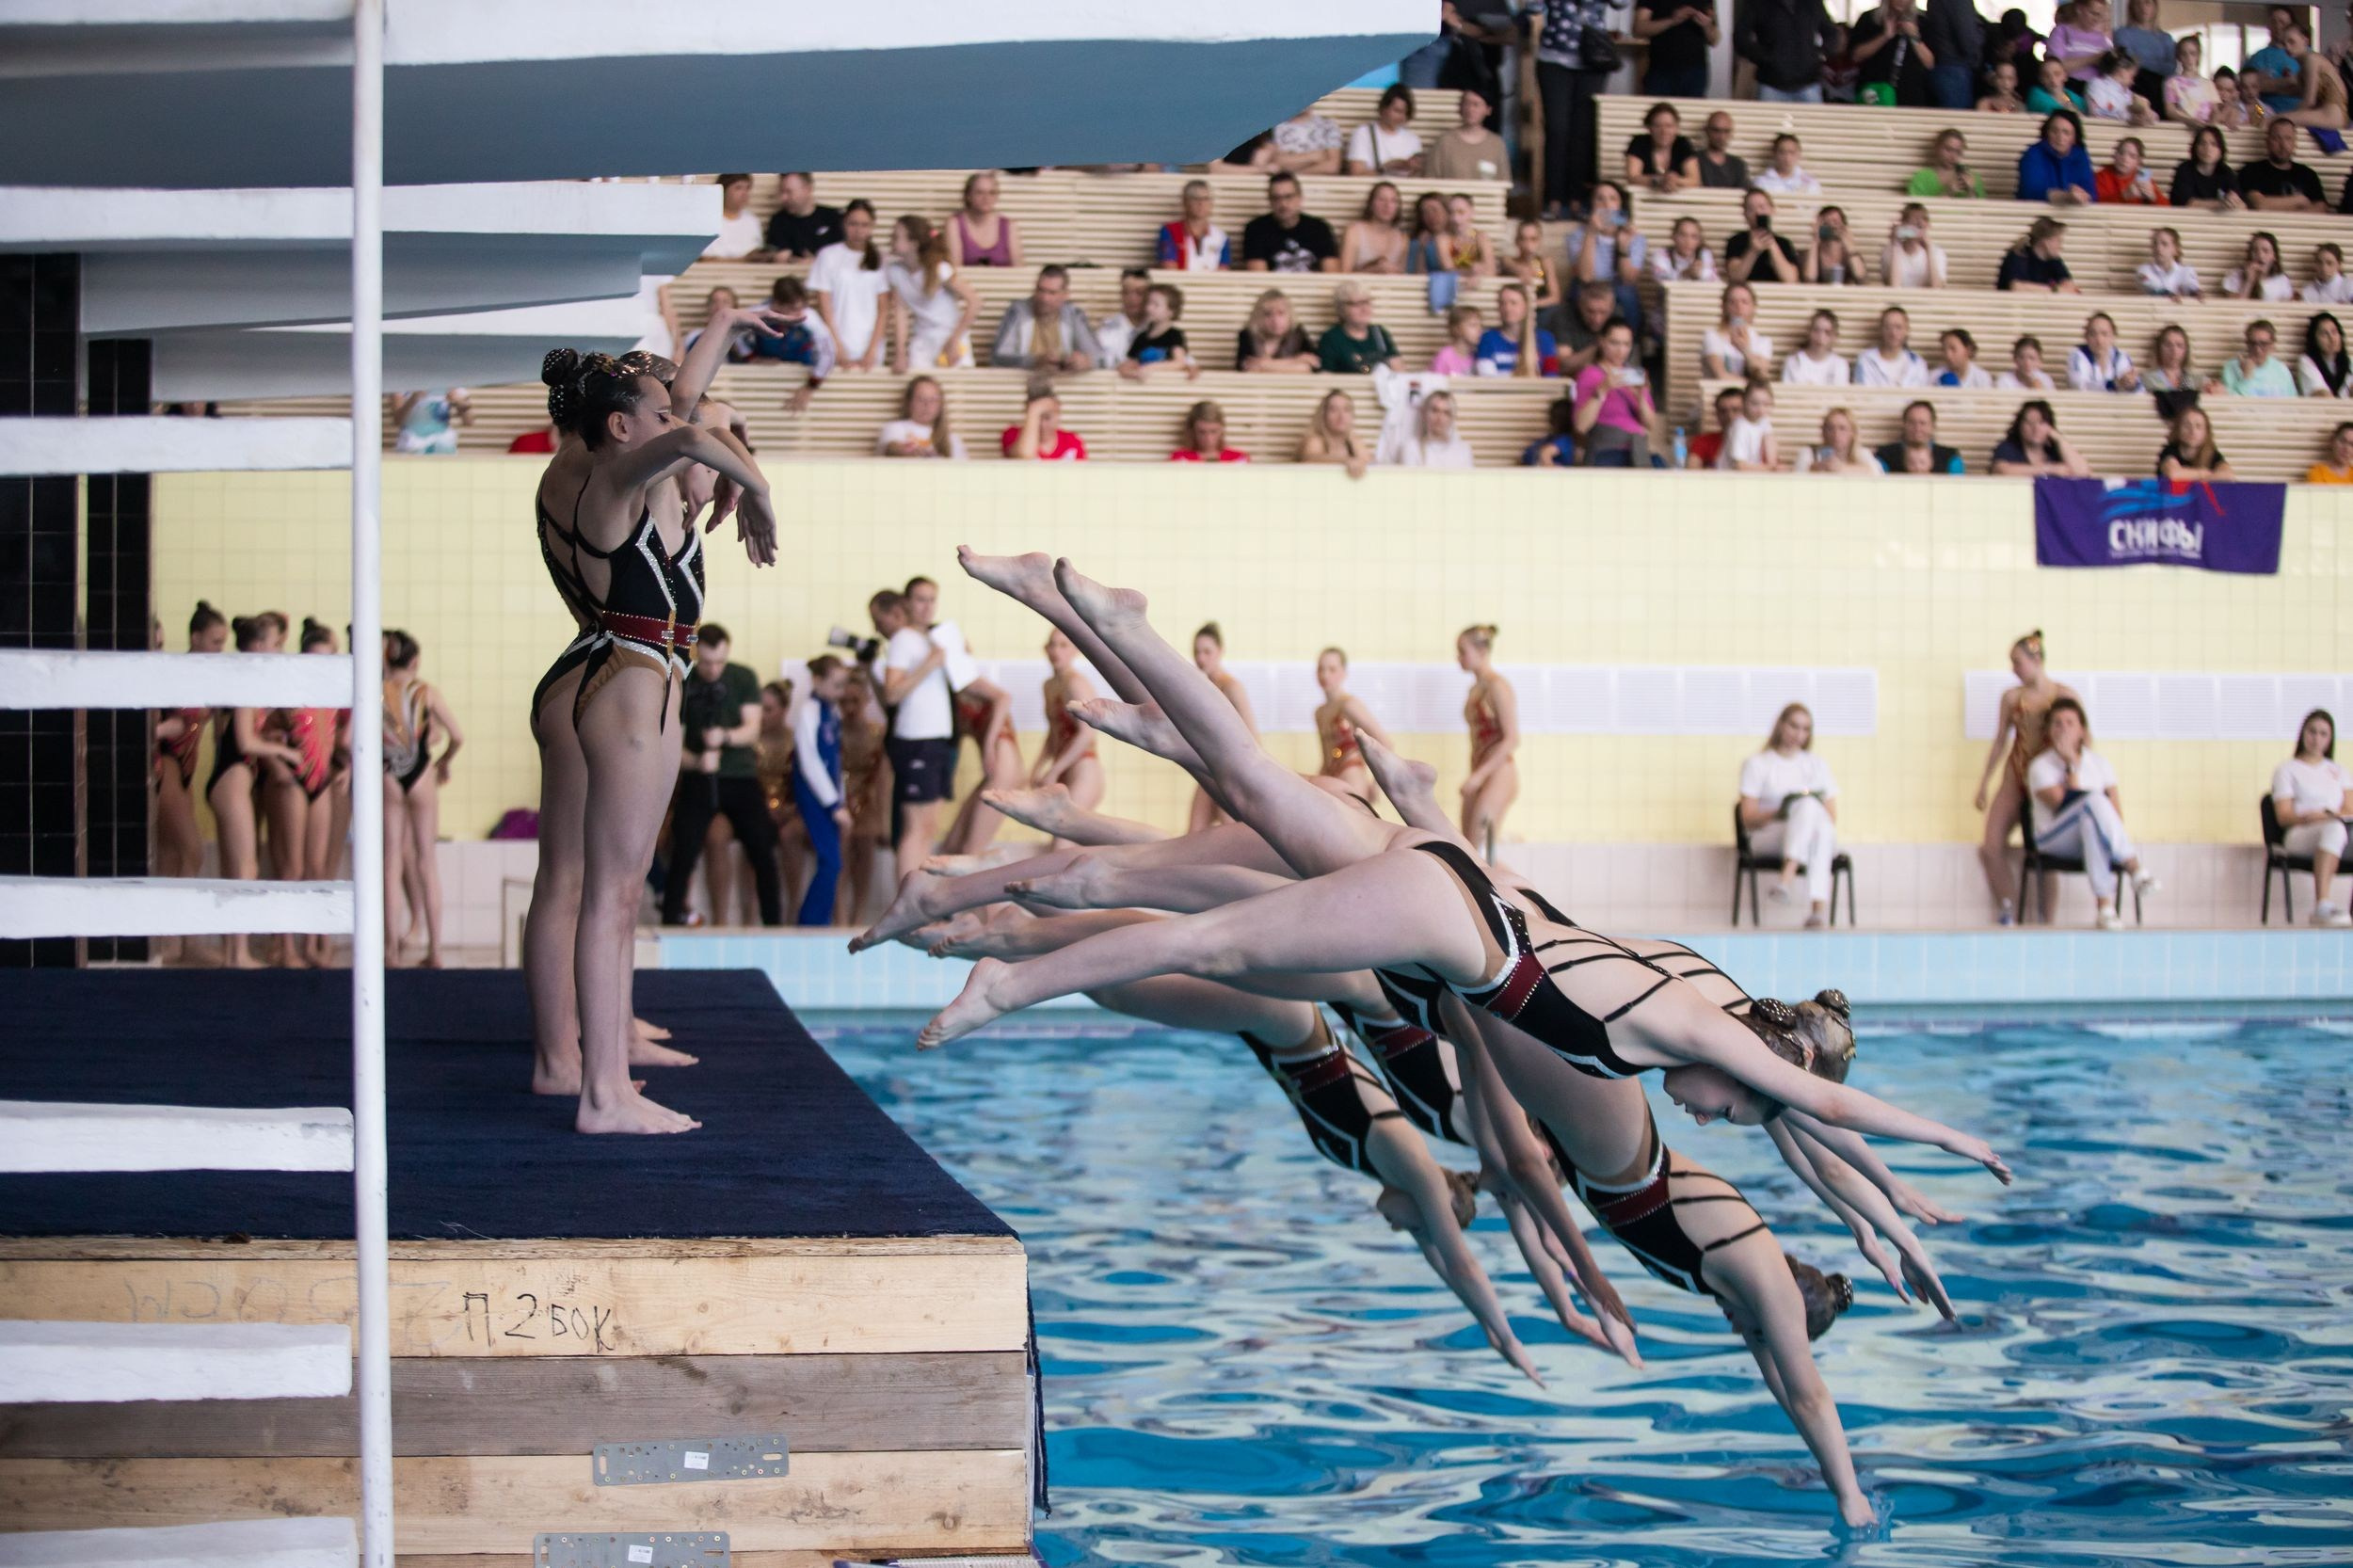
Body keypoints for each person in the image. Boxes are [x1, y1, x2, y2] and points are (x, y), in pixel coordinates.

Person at [904, 556, 2005, 1528]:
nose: (1708, 1114)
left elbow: (1799, 1124)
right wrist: (1931, 1170)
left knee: (1222, 840)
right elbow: (1788, 1149)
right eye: (1735, 1100)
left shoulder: (1708, 995)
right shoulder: (1720, 1197)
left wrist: (1889, 1225)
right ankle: (1007, 974)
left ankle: (1104, 624)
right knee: (1218, 935)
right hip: (1460, 955)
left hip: (1466, 905)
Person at [528, 344, 777, 1132]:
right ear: (619, 423)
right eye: (657, 409)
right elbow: (692, 433)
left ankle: (589, 1064)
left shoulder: (611, 472)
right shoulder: (612, 476)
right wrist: (758, 486)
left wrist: (728, 323)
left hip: (619, 670)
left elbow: (691, 417)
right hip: (629, 678)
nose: (676, 413)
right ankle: (602, 1092)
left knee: (600, 887)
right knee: (608, 892)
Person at [662, 624, 783, 929]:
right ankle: (671, 919)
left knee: (762, 847)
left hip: (739, 777)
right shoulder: (683, 680)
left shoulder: (742, 677)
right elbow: (671, 742)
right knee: (684, 849)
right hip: (699, 778)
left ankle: (774, 924)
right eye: (707, 663)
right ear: (695, 656)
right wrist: (696, 760)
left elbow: (751, 728)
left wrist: (724, 737)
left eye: (719, 662)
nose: (713, 670)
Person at [2027, 697, 2157, 930]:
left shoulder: (2100, 764)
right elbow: (2066, 805)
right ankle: (2133, 866)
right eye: (2057, 723)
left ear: (2082, 731)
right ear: (2048, 730)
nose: (2063, 728)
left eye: (2070, 723)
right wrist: (2071, 765)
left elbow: (2115, 815)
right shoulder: (2040, 766)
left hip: (2088, 835)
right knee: (2093, 800)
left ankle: (2105, 909)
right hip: (2053, 839)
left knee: (2090, 823)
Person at [381, 627, 462, 968]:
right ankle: (436, 951)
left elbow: (350, 741)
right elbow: (457, 735)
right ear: (415, 660)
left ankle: (390, 950)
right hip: (421, 776)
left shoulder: (376, 691)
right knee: (426, 861)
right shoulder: (426, 692)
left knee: (390, 861)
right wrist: (443, 762)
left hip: (387, 775)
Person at [152, 603, 226, 965]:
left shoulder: (206, 679)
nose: (218, 650)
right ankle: (182, 940)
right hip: (165, 765)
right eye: (214, 642)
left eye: (222, 643)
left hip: (184, 770)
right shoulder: (171, 673)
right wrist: (173, 728)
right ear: (195, 638)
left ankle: (170, 941)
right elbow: (161, 724)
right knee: (192, 850)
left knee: (169, 855)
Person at [1739, 704, 1839, 927]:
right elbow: (1747, 817)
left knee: (1817, 819)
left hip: (1812, 834)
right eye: (1794, 726)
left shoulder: (1816, 765)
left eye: (1805, 729)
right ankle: (1817, 907)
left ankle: (1787, 878)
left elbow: (1831, 815)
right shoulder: (1758, 764)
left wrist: (1804, 807)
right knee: (1807, 807)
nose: (1798, 734)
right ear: (1781, 725)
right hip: (1770, 834)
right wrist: (1783, 810)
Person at [1534, 0, 1618, 217]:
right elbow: (1532, 7)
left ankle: (1576, 200)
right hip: (1553, 57)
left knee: (1583, 132)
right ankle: (1553, 199)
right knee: (1556, 129)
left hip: (1593, 58)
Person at [786, 655, 852, 927]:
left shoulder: (831, 712)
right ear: (817, 681)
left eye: (843, 685)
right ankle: (811, 921)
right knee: (831, 860)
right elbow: (810, 762)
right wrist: (834, 805)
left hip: (829, 796)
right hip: (813, 794)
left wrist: (842, 800)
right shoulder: (808, 711)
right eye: (836, 685)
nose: (841, 692)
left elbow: (835, 762)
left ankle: (818, 919)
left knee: (831, 860)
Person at [2273, 710, 2352, 925]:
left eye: (2323, 734)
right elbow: (2284, 816)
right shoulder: (2286, 770)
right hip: (2300, 834)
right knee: (2334, 830)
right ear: (2303, 734)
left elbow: (2349, 808)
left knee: (2336, 829)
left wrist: (2328, 815)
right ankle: (2322, 904)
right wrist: (2311, 818)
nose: (2317, 738)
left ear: (2330, 738)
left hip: (2336, 831)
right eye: (2312, 732)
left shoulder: (2338, 771)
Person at [1186, 623, 1260, 834]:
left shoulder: (1232, 687)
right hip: (1210, 770)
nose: (1201, 658)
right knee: (1194, 834)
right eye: (1197, 652)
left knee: (1231, 831)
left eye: (1207, 652)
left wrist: (1249, 778)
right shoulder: (1200, 690)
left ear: (1220, 652)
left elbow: (1253, 738)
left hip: (1232, 772)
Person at [883, 215, 978, 373]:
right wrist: (900, 354)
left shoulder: (938, 269)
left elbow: (975, 302)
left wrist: (954, 340)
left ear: (913, 244)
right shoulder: (895, 272)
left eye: (896, 236)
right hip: (922, 339)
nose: (891, 239)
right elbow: (900, 312)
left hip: (950, 336)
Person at [1031, 630, 1109, 820]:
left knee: (1063, 837)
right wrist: (1037, 769)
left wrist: (1053, 770)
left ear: (1076, 650)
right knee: (1061, 835)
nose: (1056, 650)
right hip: (1063, 767)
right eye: (1052, 644)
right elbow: (1054, 733)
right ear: (1045, 649)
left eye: (1063, 645)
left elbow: (1087, 734)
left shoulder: (1077, 684)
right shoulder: (1048, 685)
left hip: (1084, 769)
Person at [1456, 626, 1518, 852]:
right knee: (1468, 851)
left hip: (1498, 772)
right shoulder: (1475, 689)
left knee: (1483, 851)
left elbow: (1511, 738)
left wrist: (1479, 776)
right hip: (1480, 769)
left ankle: (1508, 887)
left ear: (1482, 651)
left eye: (1463, 651)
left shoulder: (1497, 686)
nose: (1459, 658)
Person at [808, 200, 888, 374]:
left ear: (872, 226)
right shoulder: (827, 255)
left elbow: (883, 309)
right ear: (844, 224)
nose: (858, 230)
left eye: (864, 225)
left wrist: (872, 350)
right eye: (853, 224)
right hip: (838, 342)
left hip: (871, 346)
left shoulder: (880, 259)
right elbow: (824, 306)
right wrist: (837, 346)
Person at [1575, 320, 1664, 467]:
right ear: (1602, 342)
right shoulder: (1589, 374)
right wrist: (1602, 390)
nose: (1621, 351)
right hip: (1606, 451)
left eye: (1626, 344)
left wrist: (1640, 396)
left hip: (1637, 451)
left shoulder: (1634, 375)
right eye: (1614, 343)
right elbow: (1581, 426)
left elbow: (1650, 424)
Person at [1315, 646, 1394, 800]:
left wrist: (1377, 784)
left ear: (1343, 673)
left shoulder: (1349, 705)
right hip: (1330, 776)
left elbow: (1385, 743)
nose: (1325, 675)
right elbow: (1326, 755)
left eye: (1332, 669)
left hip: (1351, 775)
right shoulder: (1319, 712)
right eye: (1320, 669)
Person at [990, 264, 1101, 374]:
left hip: (1066, 385)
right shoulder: (1018, 312)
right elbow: (998, 357)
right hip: (1022, 385)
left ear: (1065, 295)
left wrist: (1087, 361)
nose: (1044, 298)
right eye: (1041, 290)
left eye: (1052, 293)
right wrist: (1034, 361)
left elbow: (1099, 356)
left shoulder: (1073, 315)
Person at [1566, 181, 1646, 329]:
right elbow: (1585, 276)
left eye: (1612, 199)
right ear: (1592, 205)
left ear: (1620, 205)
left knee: (1627, 294)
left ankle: (1628, 344)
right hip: (1588, 284)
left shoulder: (1635, 237)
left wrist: (1623, 247)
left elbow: (1629, 279)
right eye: (1600, 199)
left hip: (1617, 285)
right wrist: (1590, 233)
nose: (1606, 204)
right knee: (1576, 290)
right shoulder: (1577, 236)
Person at [1737, 0, 1837, 104]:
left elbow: (1831, 33)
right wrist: (1764, 58)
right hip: (1771, 83)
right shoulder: (1758, 3)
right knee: (1769, 120)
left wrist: (1817, 55)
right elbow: (1740, 37)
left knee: (1813, 120)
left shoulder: (1812, 3)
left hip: (1808, 82)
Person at [1242, 172, 1339, 274]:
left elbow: (1332, 273)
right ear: (1270, 201)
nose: (1283, 204)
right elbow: (1258, 277)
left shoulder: (1319, 228)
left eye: (1288, 197)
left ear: (1300, 197)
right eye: (1276, 198)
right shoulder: (1256, 229)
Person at [1852, 0, 1938, 105]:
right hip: (1875, 91)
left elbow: (1930, 63)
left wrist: (1914, 37)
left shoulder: (1924, 21)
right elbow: (1856, 56)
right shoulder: (1869, 18)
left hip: (1911, 94)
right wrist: (1885, 36)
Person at [2276, 19, 2350, 128]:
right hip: (2328, 114)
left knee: (2277, 121)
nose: (2287, 47)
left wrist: (2292, 115)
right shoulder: (2302, 69)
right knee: (2275, 119)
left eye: (2291, 42)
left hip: (2332, 115)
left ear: (2305, 41)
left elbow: (2309, 101)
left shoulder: (2311, 60)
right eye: (2284, 43)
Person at [2241, 116, 2327, 210]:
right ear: (2267, 142)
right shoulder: (2251, 171)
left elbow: (2321, 209)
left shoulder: (2308, 175)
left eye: (2288, 138)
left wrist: (2277, 205)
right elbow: (2260, 205)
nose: (2283, 145)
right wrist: (2300, 201)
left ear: (2295, 143)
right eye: (2277, 138)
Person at [1424, 87, 1508, 183]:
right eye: (1466, 104)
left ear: (1488, 110)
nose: (1470, 109)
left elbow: (1504, 182)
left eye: (1476, 105)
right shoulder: (1445, 142)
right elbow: (1431, 179)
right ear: (1460, 108)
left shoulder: (1496, 144)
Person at [875, 374, 968, 460]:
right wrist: (906, 451)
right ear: (909, 402)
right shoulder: (894, 428)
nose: (927, 405)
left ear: (940, 405)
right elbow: (891, 449)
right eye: (920, 399)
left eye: (933, 400)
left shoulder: (952, 439)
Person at [1117, 282, 1198, 380]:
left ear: (1170, 311)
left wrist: (1150, 368)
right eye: (1148, 303)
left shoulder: (1174, 335)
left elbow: (1179, 363)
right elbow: (1126, 365)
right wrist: (1132, 374)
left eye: (1156, 305)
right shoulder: (1141, 337)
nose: (1149, 308)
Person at [1635, 0, 1720, 95]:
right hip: (1660, 70)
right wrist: (1672, 20)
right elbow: (1639, 29)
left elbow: (1714, 40)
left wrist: (1706, 26)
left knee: (1691, 109)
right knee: (1659, 108)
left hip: (1696, 71)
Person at [1319, 281, 1403, 374]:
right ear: (1341, 309)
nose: (1364, 309)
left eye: (1366, 302)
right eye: (1356, 304)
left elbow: (1398, 370)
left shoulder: (1379, 333)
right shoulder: (1331, 338)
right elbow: (1326, 376)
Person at [1991, 399, 2095, 474]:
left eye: (2042, 423)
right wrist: (2050, 469)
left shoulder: (2055, 450)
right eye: (2029, 422)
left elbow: (2083, 473)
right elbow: (2002, 471)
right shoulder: (2008, 447)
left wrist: (2059, 439)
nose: (2036, 428)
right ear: (2020, 426)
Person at [944, 170, 1022, 268]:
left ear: (997, 196)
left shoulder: (1009, 225)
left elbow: (1019, 267)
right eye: (979, 192)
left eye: (992, 193)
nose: (986, 198)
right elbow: (954, 269)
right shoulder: (954, 223)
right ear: (968, 195)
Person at [1723, 188, 1801, 285]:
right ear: (1745, 214)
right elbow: (1735, 278)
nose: (1758, 213)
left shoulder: (1783, 243)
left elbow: (1790, 279)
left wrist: (1771, 244)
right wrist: (1753, 251)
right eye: (1751, 209)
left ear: (1772, 210)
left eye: (1762, 207)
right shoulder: (1736, 241)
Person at [1385, 388, 1477, 468]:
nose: (1440, 417)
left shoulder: (1463, 450)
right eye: (1435, 410)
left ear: (1452, 418)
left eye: (1446, 413)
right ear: (1424, 414)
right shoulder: (1411, 448)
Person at [1479, 282, 1558, 376]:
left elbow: (1552, 376)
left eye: (1513, 303)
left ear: (1525, 307)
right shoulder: (1487, 338)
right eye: (1502, 303)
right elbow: (1487, 378)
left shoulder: (1545, 339)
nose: (1507, 308)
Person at [2019, 109, 2097, 203]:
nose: (2060, 137)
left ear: (2074, 138)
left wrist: (2082, 195)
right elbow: (2031, 192)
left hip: (2075, 216)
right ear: (2047, 133)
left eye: (2066, 133)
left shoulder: (2081, 156)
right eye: (2054, 131)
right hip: (2033, 214)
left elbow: (2091, 195)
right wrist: (2067, 196)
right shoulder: (2033, 154)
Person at [1701, 281, 1773, 382]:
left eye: (1744, 302)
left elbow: (1761, 376)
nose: (1739, 307)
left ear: (1753, 307)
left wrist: (1745, 349)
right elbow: (1721, 376)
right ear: (1724, 307)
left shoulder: (1763, 341)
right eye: (1732, 302)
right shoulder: (1712, 337)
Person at [2243, 4, 2309, 115]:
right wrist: (2289, 82)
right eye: (2273, 22)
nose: (2278, 26)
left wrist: (2272, 84)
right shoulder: (2258, 57)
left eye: (2282, 22)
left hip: (2301, 116)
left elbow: (2311, 88)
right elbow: (2248, 89)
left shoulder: (2306, 53)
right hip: (2265, 115)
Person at [1347, 84, 1425, 175]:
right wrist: (1387, 167)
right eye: (1397, 111)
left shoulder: (1413, 139)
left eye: (1405, 113)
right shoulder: (1363, 133)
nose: (1402, 117)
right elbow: (1356, 174)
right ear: (1383, 108)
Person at [1625, 101, 1700, 194]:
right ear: (1649, 127)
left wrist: (1674, 180)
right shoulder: (1639, 142)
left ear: (1676, 128)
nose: (1664, 131)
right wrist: (1658, 180)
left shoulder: (1682, 144)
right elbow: (1632, 177)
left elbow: (1695, 180)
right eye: (1657, 126)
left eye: (1669, 126)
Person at [1235, 288, 1317, 373]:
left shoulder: (1298, 334)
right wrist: (1295, 361)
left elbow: (1311, 367)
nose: (1275, 320)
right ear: (1258, 317)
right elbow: (1247, 369)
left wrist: (1263, 365)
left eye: (1281, 313)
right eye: (1268, 314)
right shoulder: (1248, 336)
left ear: (1290, 315)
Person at [1921, 0, 1985, 108]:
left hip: (1941, 67)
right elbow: (1967, 40)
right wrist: (1980, 35)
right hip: (1955, 71)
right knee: (1956, 121)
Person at [1157, 179, 1231, 271]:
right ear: (1185, 202)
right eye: (1195, 199)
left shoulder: (1220, 236)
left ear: (1211, 203)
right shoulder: (1170, 231)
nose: (1201, 203)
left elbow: (1223, 271)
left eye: (1206, 199)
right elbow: (1169, 268)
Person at [763, 172, 842, 259]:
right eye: (782, 192)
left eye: (789, 192)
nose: (783, 198)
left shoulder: (832, 217)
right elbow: (778, 257)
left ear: (808, 189)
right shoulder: (779, 221)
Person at [1875, 398, 1965, 473]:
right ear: (1904, 425)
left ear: (1933, 426)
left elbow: (1958, 489)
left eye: (1923, 423)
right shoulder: (1884, 456)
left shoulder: (1951, 457)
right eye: (1911, 423)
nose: (1917, 428)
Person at [1298, 387, 1373, 477]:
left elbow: (1370, 463)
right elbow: (1309, 459)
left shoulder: (1354, 442)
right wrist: (1345, 461)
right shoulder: (1316, 440)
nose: (1341, 416)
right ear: (1323, 415)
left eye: (1346, 410)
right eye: (1333, 410)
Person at [2169, 123, 2245, 208]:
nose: (2208, 148)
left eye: (2214, 144)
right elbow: (2187, 203)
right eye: (2202, 143)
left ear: (2221, 151)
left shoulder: (2226, 173)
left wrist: (2234, 201)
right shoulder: (2185, 169)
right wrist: (2220, 204)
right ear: (2195, 147)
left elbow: (2242, 206)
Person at [1002, 385, 1088, 459]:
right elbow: (1024, 457)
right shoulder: (1013, 435)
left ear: (1058, 415)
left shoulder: (1072, 441)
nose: (1042, 424)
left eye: (1047, 417)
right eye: (1037, 418)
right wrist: (1035, 410)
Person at [1340, 182, 1408, 274]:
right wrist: (1374, 270)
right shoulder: (1354, 232)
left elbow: (1402, 275)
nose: (1387, 205)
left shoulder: (1403, 239)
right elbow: (1344, 274)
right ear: (1371, 204)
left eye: (1393, 201)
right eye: (1381, 199)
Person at [1998, 216, 2081, 292]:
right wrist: (2055, 290)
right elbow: (2017, 288)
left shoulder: (2054, 260)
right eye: (2058, 241)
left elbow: (2071, 289)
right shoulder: (2018, 255)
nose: (2061, 247)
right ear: (2046, 242)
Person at [1793, 407, 1885, 473]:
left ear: (1852, 433)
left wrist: (1841, 468)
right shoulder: (1808, 452)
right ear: (1823, 432)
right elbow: (1797, 475)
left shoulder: (1861, 453)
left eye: (1842, 428)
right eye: (1830, 428)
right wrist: (1815, 468)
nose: (1836, 434)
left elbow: (1877, 472)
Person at [1854, 306, 1930, 387]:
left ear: (1907, 330)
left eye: (1898, 327)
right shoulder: (1867, 360)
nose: (1893, 333)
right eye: (1888, 327)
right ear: (1881, 330)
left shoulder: (1917, 363)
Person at [2220, 318, 2298, 396]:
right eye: (2253, 343)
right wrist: (2246, 377)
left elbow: (2293, 400)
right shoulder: (2231, 367)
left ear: (2272, 345)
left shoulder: (2281, 369)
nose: (2257, 349)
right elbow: (2230, 402)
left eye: (2263, 344)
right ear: (2247, 344)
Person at [1092, 267, 1151, 369]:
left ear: (1149, 296)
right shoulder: (1107, 329)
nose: (1132, 298)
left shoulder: (1159, 328)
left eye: (1139, 293)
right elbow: (1097, 360)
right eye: (1126, 292)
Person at [2112, 0, 2174, 94]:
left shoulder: (2166, 38)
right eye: (2138, 3)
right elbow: (2128, 62)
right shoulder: (2122, 33)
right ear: (2132, 8)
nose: (2143, 7)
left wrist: (2140, 61)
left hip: (2163, 90)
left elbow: (2171, 68)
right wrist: (2159, 65)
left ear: (2155, 6)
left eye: (2147, 2)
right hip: (2135, 87)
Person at [1718, 379, 1781, 471]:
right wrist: (1770, 469)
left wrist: (1773, 466)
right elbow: (1740, 466)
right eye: (1755, 404)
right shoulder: (1739, 427)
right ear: (1744, 402)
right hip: (1729, 477)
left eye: (1766, 404)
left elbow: (1771, 454)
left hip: (1751, 476)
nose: (1761, 409)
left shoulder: (1764, 421)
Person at [2069, 312, 2140, 391]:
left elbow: (2135, 387)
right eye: (2093, 334)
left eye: (2104, 334)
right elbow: (2079, 386)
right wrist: (2114, 384)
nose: (2099, 340)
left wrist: (2130, 384)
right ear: (2086, 337)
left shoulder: (2121, 357)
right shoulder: (2077, 356)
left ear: (2113, 337)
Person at [2157, 402, 2234, 475]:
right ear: (2178, 429)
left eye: (2198, 426)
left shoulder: (2212, 454)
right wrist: (2205, 474)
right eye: (2187, 425)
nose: (2193, 431)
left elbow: (2228, 476)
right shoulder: (2169, 451)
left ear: (2206, 432)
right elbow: (2173, 474)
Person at [1881, 205, 1948, 288]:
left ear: (1927, 226)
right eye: (1910, 223)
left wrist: (1929, 249)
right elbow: (1893, 287)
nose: (1914, 229)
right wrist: (1896, 245)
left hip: (1928, 300)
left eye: (1919, 225)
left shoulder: (1937, 253)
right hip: (1898, 299)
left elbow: (1937, 288)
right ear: (1902, 225)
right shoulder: (1889, 251)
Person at [2086, 49, 2160, 123]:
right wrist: (2130, 112)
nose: (2133, 82)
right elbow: (2099, 112)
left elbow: (2154, 117)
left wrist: (2147, 111)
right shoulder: (2098, 84)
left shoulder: (2129, 94)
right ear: (2121, 71)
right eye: (2132, 77)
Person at [2047, 0, 2114, 81]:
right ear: (2079, 9)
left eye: (2100, 15)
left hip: (2098, 89)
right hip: (2070, 85)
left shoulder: (2103, 39)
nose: (2097, 19)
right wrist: (2092, 59)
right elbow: (2054, 67)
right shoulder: (2062, 32)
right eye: (2093, 13)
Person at [703, 172, 765, 260]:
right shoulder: (708, 220)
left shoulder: (752, 221)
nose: (745, 193)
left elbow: (757, 255)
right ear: (723, 190)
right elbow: (705, 259)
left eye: (747, 188)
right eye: (738, 188)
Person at [1909, 129, 1985, 198]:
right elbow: (1915, 210)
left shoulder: (1973, 178)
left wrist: (1971, 191)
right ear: (1937, 148)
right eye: (1948, 150)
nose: (1953, 156)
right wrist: (1948, 192)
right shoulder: (1922, 178)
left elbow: (1982, 210)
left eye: (1958, 152)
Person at [1782, 309, 1850, 386]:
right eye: (1816, 330)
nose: (1820, 337)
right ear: (1809, 332)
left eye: (1827, 332)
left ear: (1834, 337)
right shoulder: (1793, 362)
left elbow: (1841, 396)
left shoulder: (1840, 365)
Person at [1272, 104, 1345, 175]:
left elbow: (1332, 167)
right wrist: (1314, 157)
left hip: (1320, 184)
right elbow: (1276, 163)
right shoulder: (1275, 127)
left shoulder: (1328, 126)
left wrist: (1294, 172)